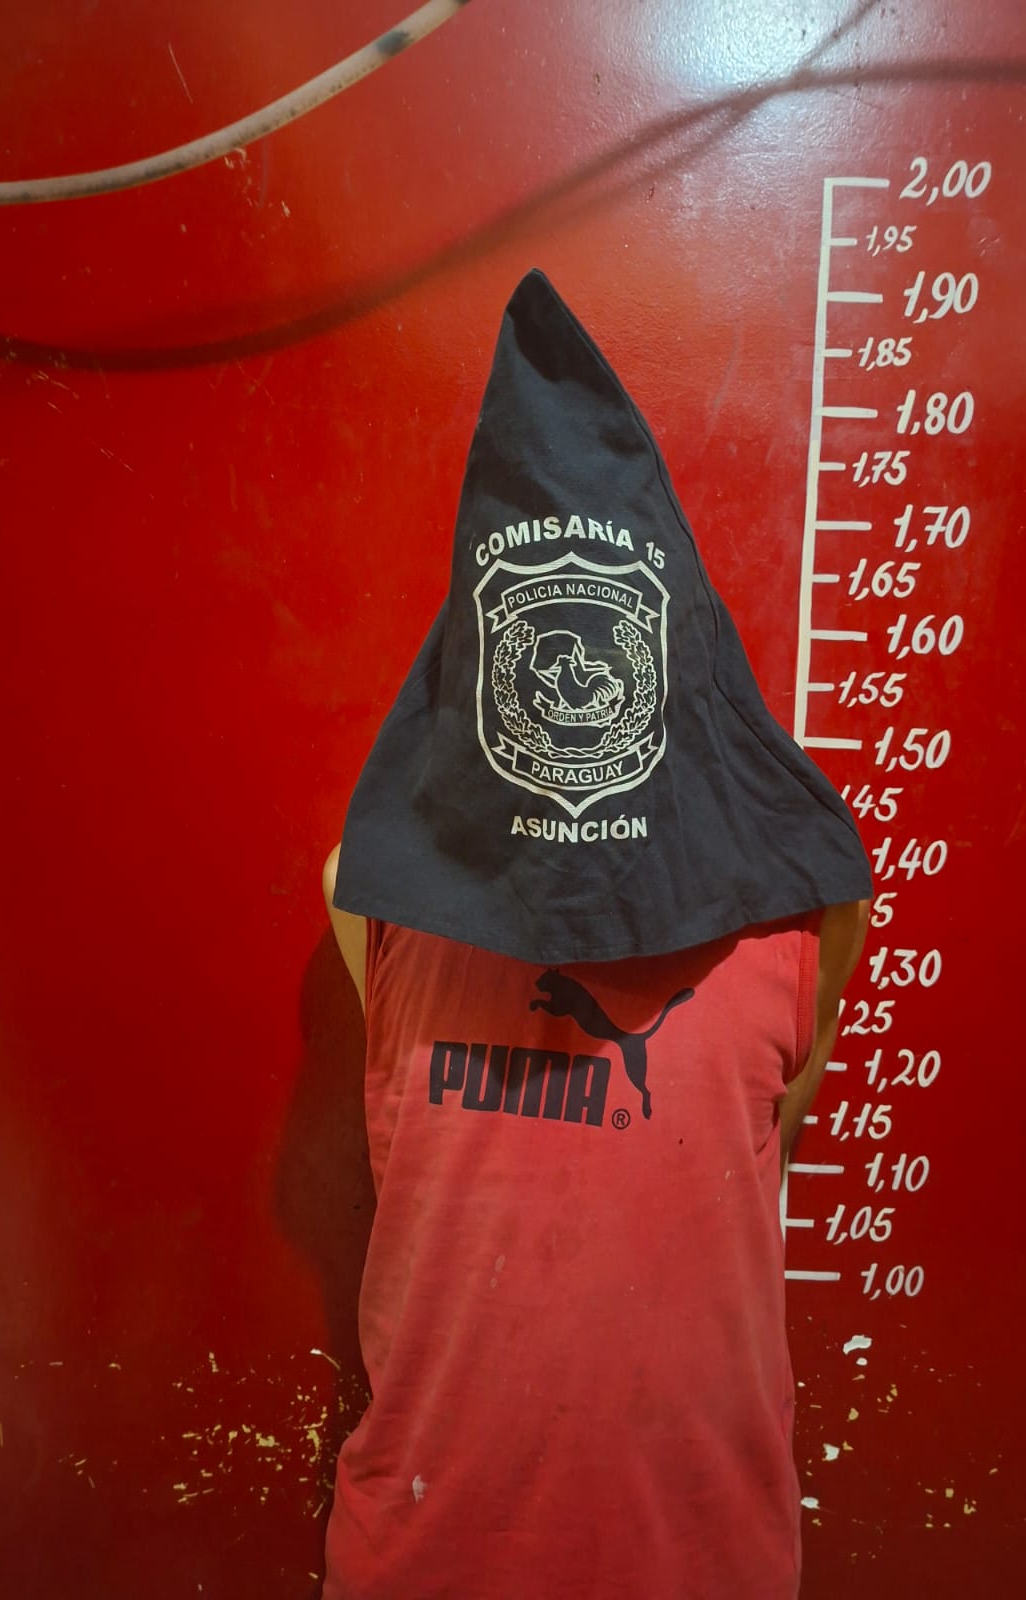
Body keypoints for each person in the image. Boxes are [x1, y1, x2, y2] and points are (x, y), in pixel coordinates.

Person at [318, 272, 872, 1599]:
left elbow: (767, 1121)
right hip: (425, 1562)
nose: (571, 678)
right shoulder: (366, 894)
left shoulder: (805, 917)